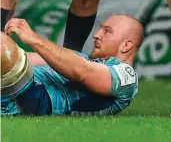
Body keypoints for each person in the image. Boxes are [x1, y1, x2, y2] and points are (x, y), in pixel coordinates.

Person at [1, 14, 142, 116]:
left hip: (31, 97)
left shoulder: (127, 77)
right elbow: (24, 58)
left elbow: (83, 72)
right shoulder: (82, 59)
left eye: (107, 31)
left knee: (3, 46)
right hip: (18, 87)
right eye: (100, 29)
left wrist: (34, 39)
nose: (97, 35)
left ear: (126, 45)